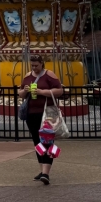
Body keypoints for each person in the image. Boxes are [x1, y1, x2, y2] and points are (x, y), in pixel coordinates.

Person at [20, 55, 64, 185]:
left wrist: (41, 92)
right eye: (32, 65)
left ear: (41, 63)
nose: (34, 68)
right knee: (37, 141)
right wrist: (25, 91)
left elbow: (59, 90)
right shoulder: (28, 76)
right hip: (31, 113)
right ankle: (41, 170)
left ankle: (46, 172)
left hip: (47, 113)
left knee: (47, 140)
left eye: (36, 65)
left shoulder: (49, 75)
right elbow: (20, 92)